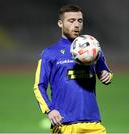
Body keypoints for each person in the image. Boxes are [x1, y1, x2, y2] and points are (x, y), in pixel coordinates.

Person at [34, 4, 113, 134]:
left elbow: (105, 72)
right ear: (60, 23)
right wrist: (49, 109)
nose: (76, 25)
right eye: (71, 21)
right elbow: (39, 86)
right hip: (64, 125)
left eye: (79, 21)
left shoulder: (92, 47)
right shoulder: (49, 53)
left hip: (93, 124)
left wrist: (106, 75)